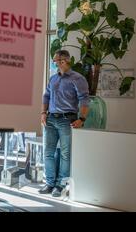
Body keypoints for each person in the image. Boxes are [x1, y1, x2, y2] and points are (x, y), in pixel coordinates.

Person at [39, 50, 89, 197]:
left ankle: (61, 185)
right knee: (48, 153)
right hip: (50, 119)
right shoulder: (53, 79)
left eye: (55, 60)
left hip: (67, 120)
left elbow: (84, 99)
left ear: (64, 60)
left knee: (65, 155)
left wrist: (82, 119)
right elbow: (46, 96)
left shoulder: (78, 79)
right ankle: (50, 183)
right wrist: (43, 113)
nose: (54, 63)